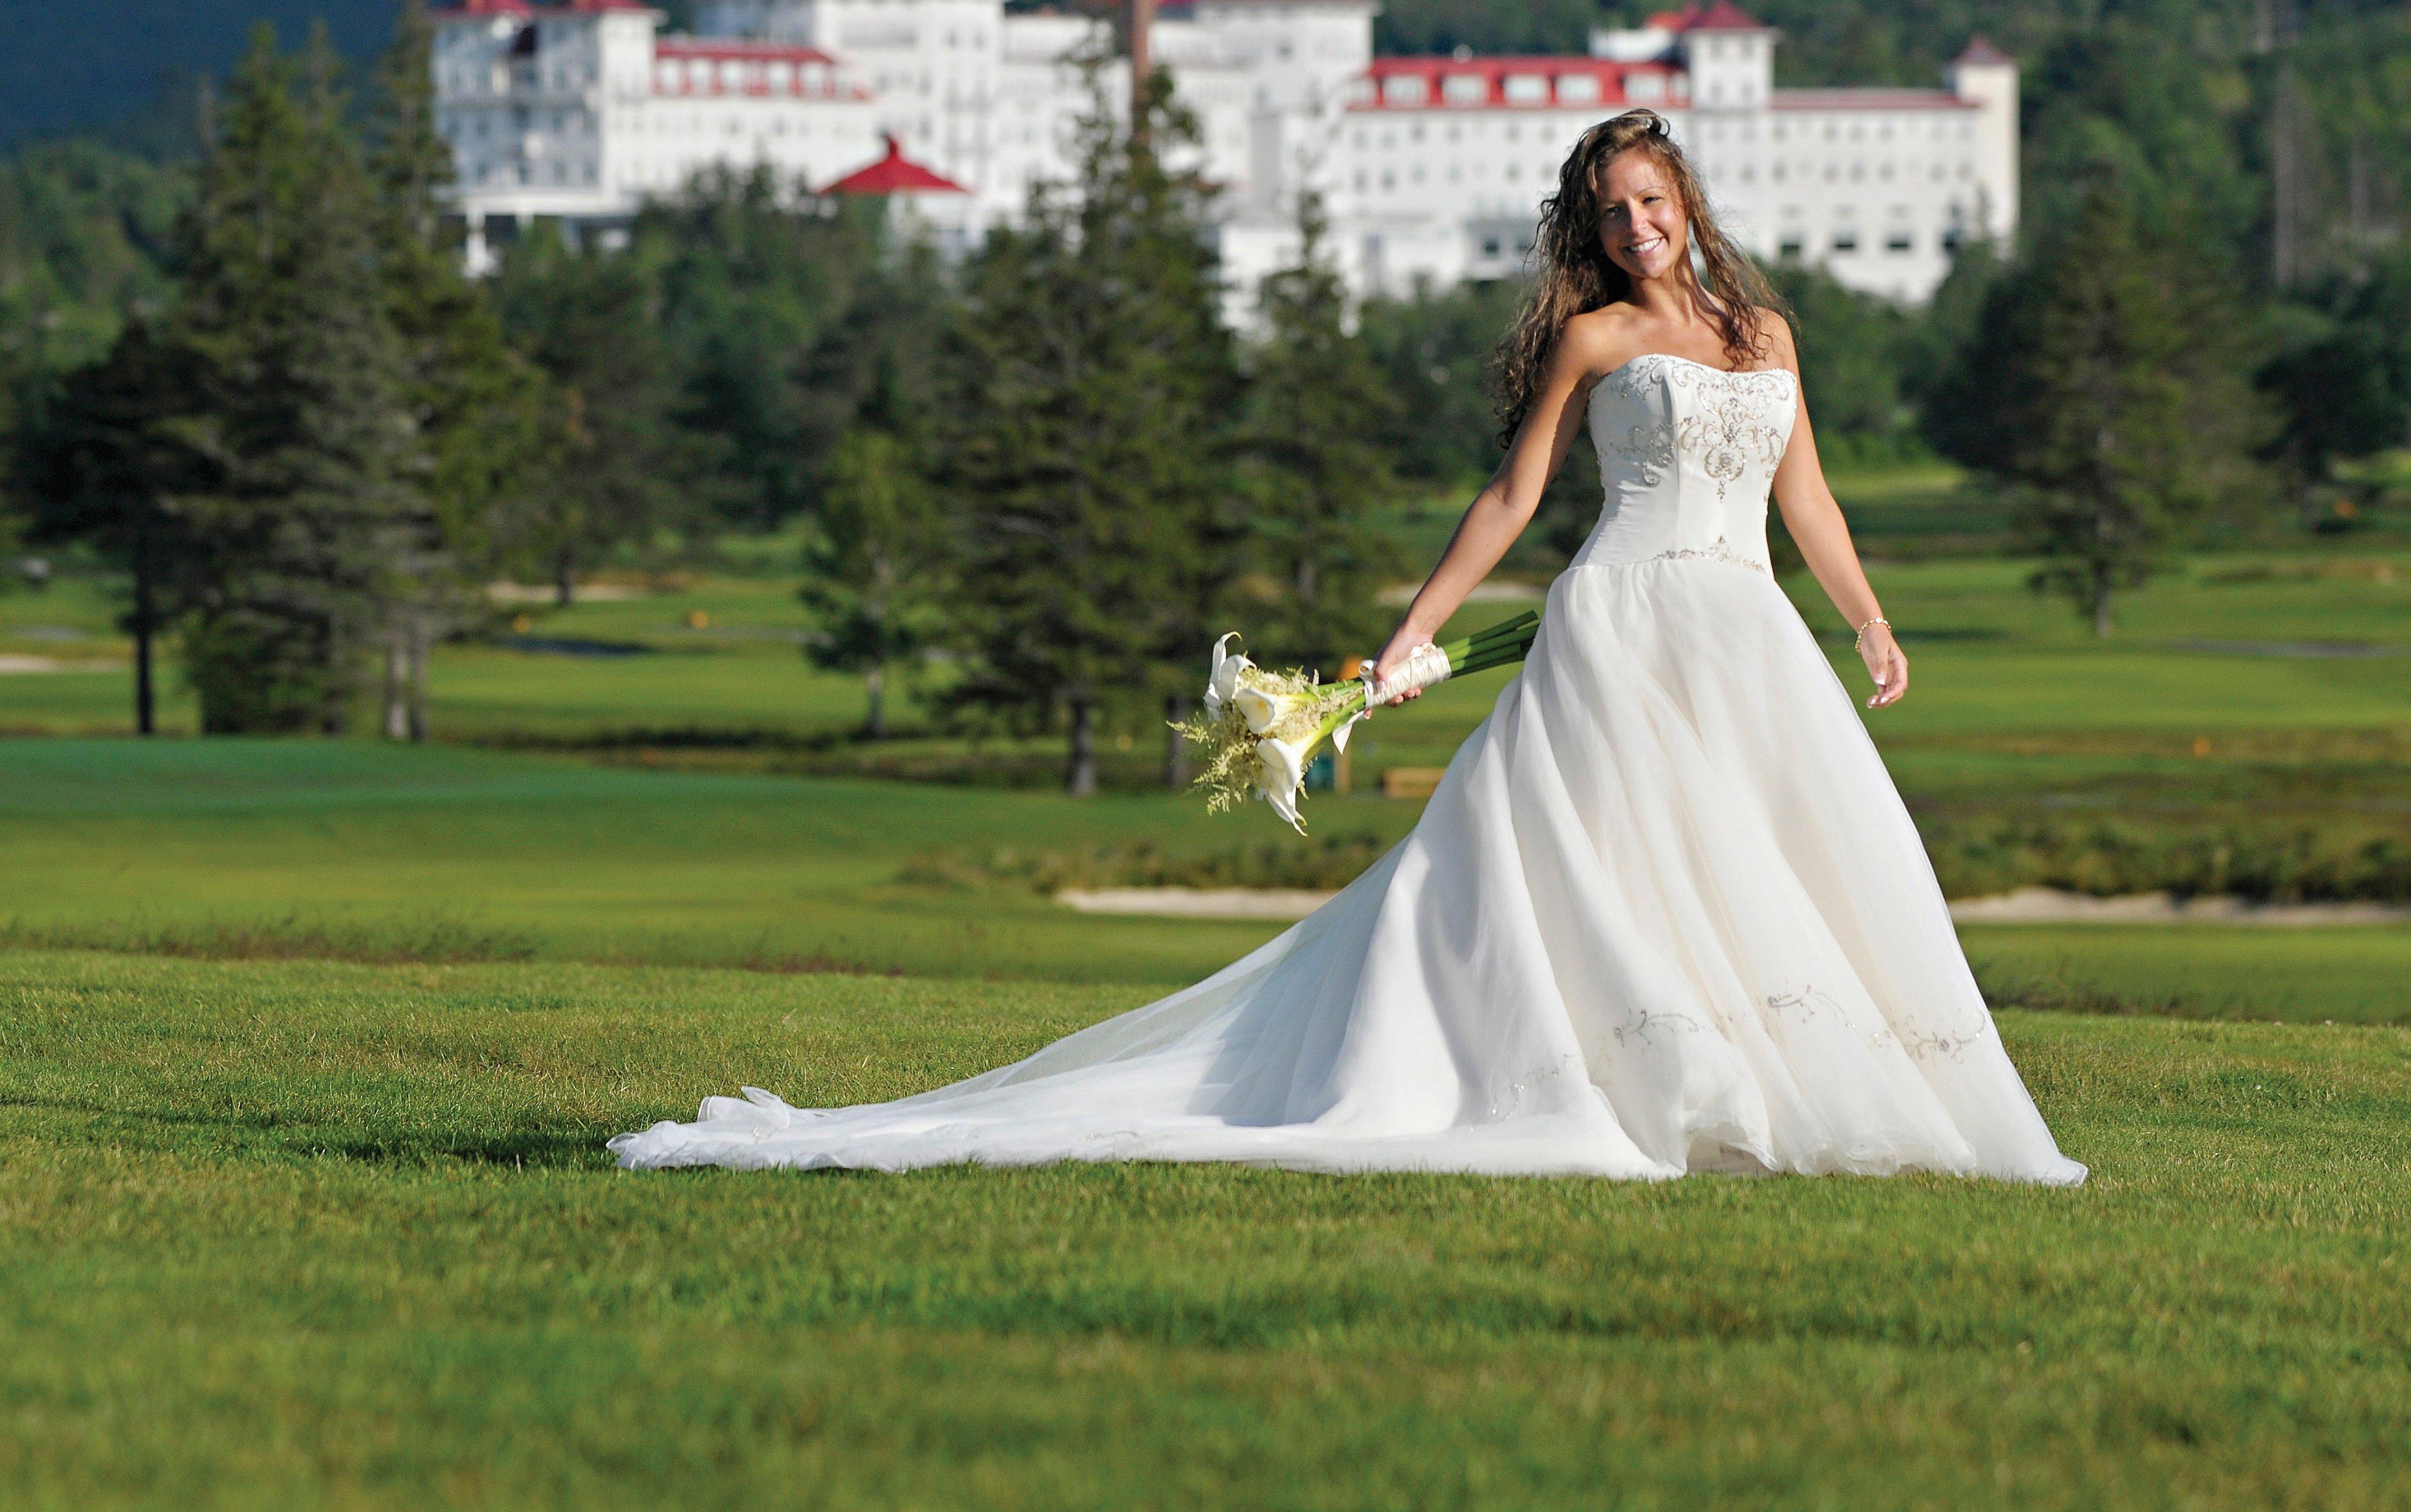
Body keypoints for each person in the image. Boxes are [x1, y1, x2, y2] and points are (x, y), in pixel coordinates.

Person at [611, 109, 2085, 1185]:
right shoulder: (1590, 344)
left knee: (1768, 858)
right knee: (1618, 864)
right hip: (1622, 620)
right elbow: (1513, 497)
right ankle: (1676, 1093)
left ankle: (1789, 1089)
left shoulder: (1764, 332)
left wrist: (1867, 615)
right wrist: (1411, 637)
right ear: (1592, 233)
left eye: (1649, 201)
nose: (1635, 226)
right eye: (1610, 214)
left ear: (1684, 199)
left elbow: (1804, 491)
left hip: (1744, 631)